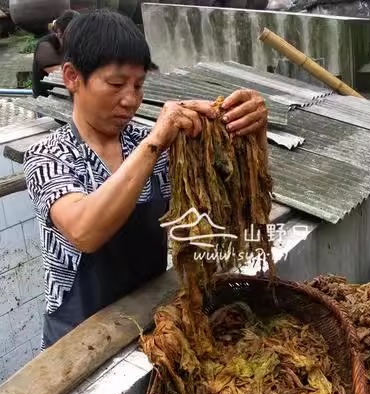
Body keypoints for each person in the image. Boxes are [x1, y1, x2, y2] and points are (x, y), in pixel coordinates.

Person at [23, 9, 269, 350]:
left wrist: (252, 134)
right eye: (116, 84)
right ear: (71, 77)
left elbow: (230, 207)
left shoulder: (151, 146)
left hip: (149, 322)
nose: (131, 99)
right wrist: (154, 142)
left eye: (138, 85)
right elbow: (84, 230)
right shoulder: (50, 156)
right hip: (78, 342)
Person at [31, 9, 79, 98]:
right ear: (59, 33)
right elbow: (62, 76)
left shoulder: (77, 43)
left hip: (66, 94)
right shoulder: (45, 46)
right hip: (45, 98)